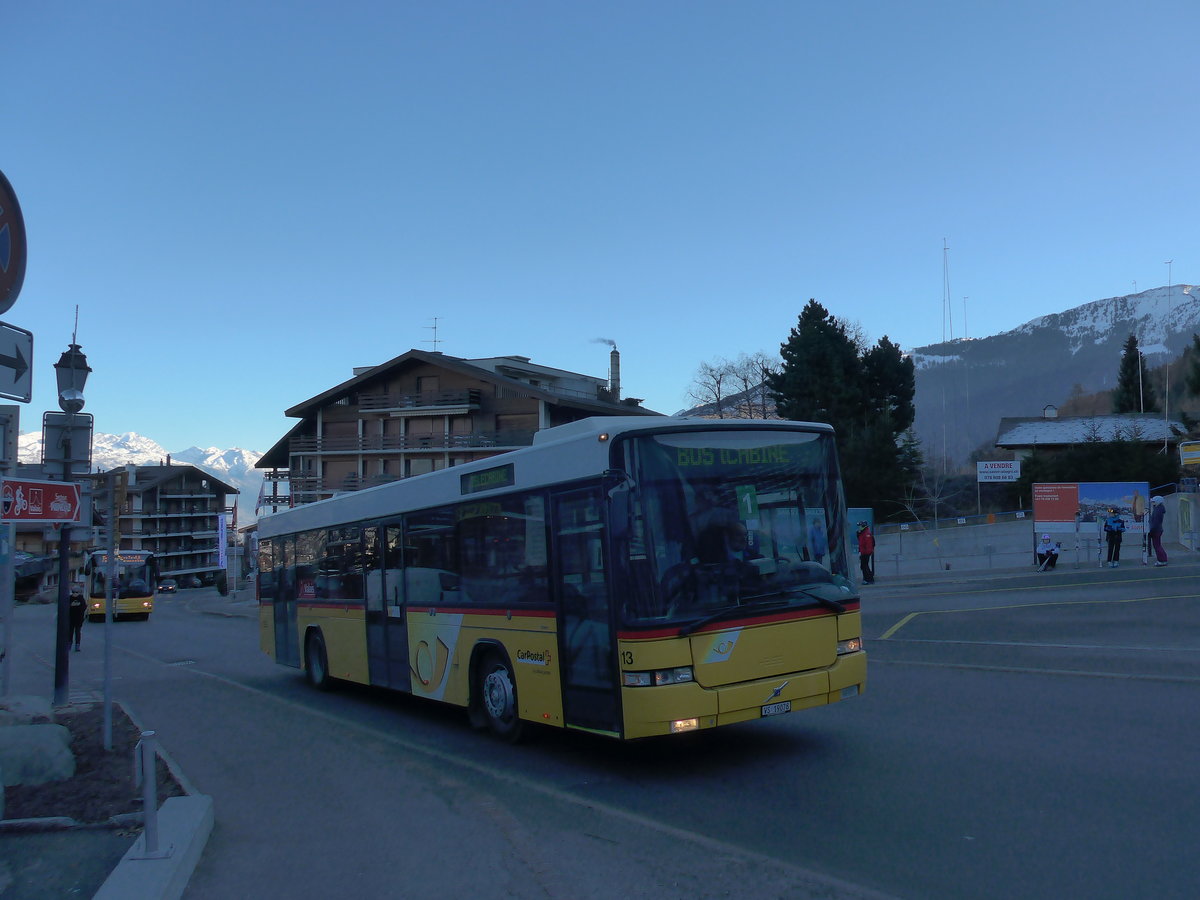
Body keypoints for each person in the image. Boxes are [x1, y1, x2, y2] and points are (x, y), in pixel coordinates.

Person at [1147, 495, 1168, 566]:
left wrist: (1151, 531)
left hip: (1156, 530)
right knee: (1157, 545)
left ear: (1157, 502)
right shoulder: (1158, 509)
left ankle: (1162, 560)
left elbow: (1155, 522)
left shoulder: (1157, 510)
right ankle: (1163, 559)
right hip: (1157, 530)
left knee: (1157, 546)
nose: (1152, 503)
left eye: (1153, 502)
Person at [68, 583, 87, 651]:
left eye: (76, 592)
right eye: (73, 592)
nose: (75, 593)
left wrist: (78, 606)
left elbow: (84, 607)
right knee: (70, 632)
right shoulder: (69, 598)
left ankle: (77, 645)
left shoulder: (81, 598)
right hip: (71, 618)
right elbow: (66, 608)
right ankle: (69, 644)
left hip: (79, 618)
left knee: (77, 632)